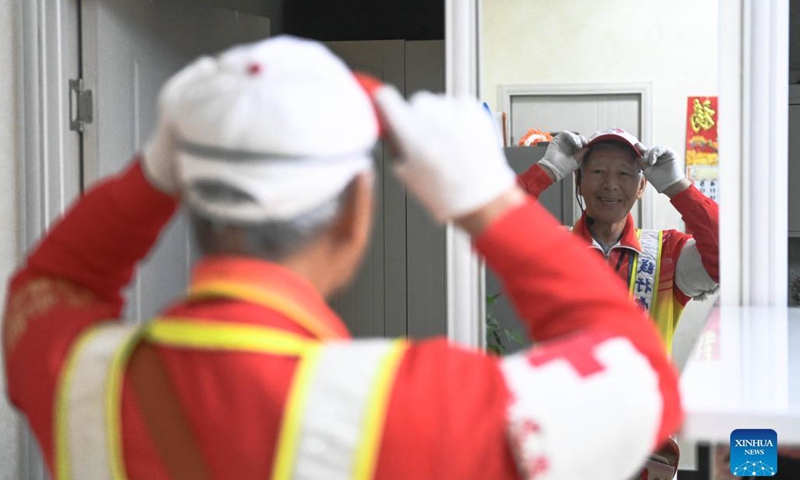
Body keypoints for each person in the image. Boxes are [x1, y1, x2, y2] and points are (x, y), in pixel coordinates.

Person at [3, 36, 682, 480]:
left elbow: (52, 282)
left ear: (193, 200)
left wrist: (160, 162)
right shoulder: (412, 405)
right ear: (358, 213)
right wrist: (483, 197)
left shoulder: (80, 379)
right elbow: (641, 373)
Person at [517, 128, 719, 353]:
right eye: (598, 171)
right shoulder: (550, 249)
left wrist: (678, 187)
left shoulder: (668, 253)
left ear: (641, 187)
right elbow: (495, 223)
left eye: (624, 173)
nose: (610, 184)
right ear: (579, 182)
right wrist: (546, 170)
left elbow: (729, 256)